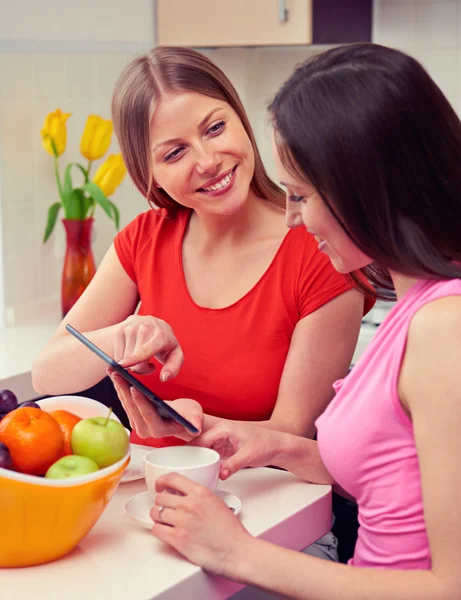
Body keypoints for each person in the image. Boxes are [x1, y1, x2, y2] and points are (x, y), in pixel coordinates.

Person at [141, 43, 461, 598]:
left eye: (300, 195)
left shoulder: (444, 329)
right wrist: (283, 449)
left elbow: (450, 586)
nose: (291, 217)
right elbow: (399, 481)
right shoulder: (419, 307)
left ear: (365, 190)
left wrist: (235, 550)